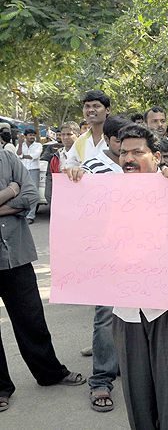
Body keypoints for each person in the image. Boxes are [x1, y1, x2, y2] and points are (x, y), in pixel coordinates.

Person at [67, 124, 168, 430]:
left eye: (137, 152)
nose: (128, 158)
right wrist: (75, 181)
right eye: (123, 152)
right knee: (136, 391)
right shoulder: (106, 192)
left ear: (156, 157)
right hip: (125, 308)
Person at [0, 148, 86, 412]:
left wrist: (16, 193)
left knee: (32, 319)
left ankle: (50, 373)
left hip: (17, 254)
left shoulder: (7, 158)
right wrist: (9, 191)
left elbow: (30, 195)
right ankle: (1, 388)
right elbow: (19, 195)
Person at [74, 115, 132, 412]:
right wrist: (73, 175)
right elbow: (76, 201)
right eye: (121, 142)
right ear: (108, 140)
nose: (126, 149)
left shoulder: (138, 165)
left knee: (136, 313)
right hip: (106, 254)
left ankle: (127, 367)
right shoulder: (92, 167)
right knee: (106, 315)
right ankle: (101, 379)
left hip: (140, 253)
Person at [65, 90, 111, 168]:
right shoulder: (81, 140)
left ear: (107, 110)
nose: (91, 110)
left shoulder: (117, 138)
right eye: (87, 106)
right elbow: (70, 164)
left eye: (96, 106)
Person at [44, 121, 80, 205]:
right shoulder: (56, 156)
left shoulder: (84, 154)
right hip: (60, 202)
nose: (65, 137)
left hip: (79, 200)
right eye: (63, 134)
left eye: (69, 134)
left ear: (78, 135)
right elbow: (50, 179)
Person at [16, 129, 42, 224]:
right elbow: (17, 155)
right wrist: (19, 144)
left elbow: (34, 156)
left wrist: (22, 156)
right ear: (25, 136)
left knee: (33, 193)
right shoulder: (20, 145)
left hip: (34, 170)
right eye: (30, 135)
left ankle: (30, 216)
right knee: (22, 192)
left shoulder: (38, 145)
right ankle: (22, 214)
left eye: (33, 135)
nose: (32, 137)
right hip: (22, 170)